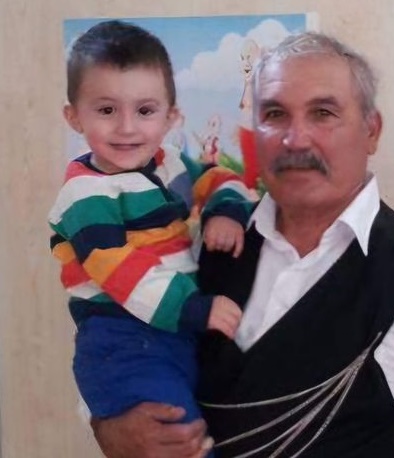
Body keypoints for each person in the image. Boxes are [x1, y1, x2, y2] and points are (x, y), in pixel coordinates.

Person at [91, 31, 394, 457]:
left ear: (371, 131)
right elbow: (126, 348)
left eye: (323, 113)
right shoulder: (203, 245)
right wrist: (109, 428)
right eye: (275, 114)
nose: (295, 139)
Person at [48, 20, 254, 450]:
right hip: (122, 339)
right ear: (74, 116)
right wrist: (194, 309)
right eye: (107, 110)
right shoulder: (85, 194)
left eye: (145, 111)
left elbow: (221, 178)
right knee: (180, 439)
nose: (127, 128)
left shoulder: (170, 163)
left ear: (171, 116)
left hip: (172, 333)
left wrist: (225, 212)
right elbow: (118, 270)